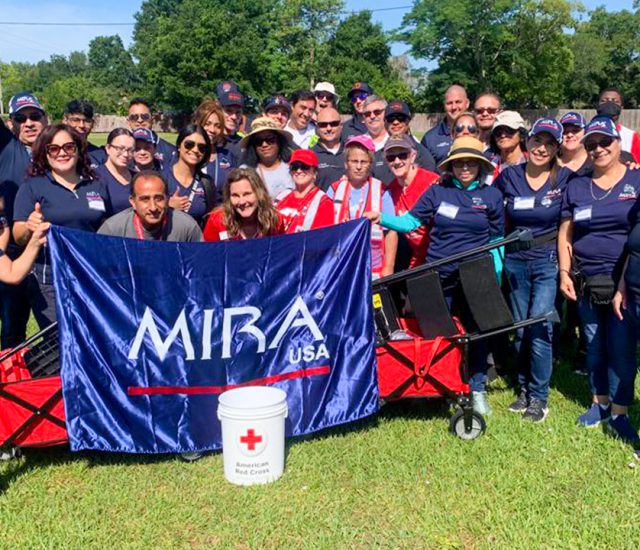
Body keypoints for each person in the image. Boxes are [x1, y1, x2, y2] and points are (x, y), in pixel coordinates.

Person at [365, 136, 504, 415]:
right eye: (459, 163)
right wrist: (380, 218)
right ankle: (445, 385)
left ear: (479, 165)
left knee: (476, 333)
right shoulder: (437, 191)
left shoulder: (492, 196)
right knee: (440, 333)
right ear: (451, 166)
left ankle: (476, 389)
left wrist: (496, 275)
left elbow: (497, 238)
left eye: (470, 163)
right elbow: (410, 222)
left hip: (477, 274)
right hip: (439, 273)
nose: (465, 168)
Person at [558, 116, 640, 444]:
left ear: (619, 144)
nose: (598, 149)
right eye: (591, 145)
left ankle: (620, 412)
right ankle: (599, 403)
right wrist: (564, 272)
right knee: (593, 345)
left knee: (621, 348)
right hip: (586, 280)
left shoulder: (637, 181)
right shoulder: (577, 186)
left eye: (605, 142)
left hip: (624, 281)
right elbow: (566, 232)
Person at [496, 118, 570, 422]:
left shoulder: (565, 178)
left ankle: (539, 397)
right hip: (515, 260)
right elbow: (491, 209)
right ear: (527, 143)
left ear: (556, 148)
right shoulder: (508, 176)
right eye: (537, 141)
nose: (542, 148)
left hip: (547, 260)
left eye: (549, 143)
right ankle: (524, 389)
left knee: (540, 326)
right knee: (521, 328)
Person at [12, 124, 111, 328]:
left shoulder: (96, 184)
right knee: (59, 343)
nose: (62, 153)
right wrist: (30, 227)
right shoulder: (32, 187)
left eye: (68, 147)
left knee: (91, 337)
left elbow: (106, 228)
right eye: (54, 149)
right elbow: (18, 236)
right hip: (51, 279)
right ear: (44, 153)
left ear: (78, 149)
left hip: (90, 275)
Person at [0, 92, 49, 348]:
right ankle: (10, 386)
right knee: (12, 333)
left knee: (57, 333)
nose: (29, 123)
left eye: (34, 116)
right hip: (14, 255)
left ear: (45, 118)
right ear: (11, 124)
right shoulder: (8, 148)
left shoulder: (59, 152)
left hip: (51, 261)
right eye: (21, 118)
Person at [327, 135, 396, 279]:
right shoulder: (334, 189)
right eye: (354, 161)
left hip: (373, 269)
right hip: (340, 266)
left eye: (363, 162)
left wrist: (389, 268)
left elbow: (391, 232)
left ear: (370, 164)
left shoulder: (381, 190)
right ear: (346, 163)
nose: (358, 167)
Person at [383, 135, 439, 270]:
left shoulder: (432, 183)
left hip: (438, 256)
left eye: (402, 155)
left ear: (413, 156)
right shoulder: (391, 190)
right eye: (391, 157)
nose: (397, 161)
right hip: (416, 258)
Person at [98, 171, 202, 242]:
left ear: (167, 199)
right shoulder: (112, 230)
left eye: (158, 198)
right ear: (133, 202)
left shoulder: (187, 226)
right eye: (145, 199)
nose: (153, 207)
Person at [203, 167, 281, 241]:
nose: (242, 202)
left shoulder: (274, 220)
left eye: (247, 194)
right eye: (235, 195)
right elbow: (208, 253)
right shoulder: (217, 220)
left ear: (259, 194)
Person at [164, 124, 215, 226]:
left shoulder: (206, 183)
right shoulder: (161, 178)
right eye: (189, 144)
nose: (195, 150)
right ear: (179, 146)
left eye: (201, 147)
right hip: (166, 240)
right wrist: (167, 206)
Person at [276, 149, 333, 233]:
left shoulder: (324, 202)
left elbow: (322, 237)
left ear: (315, 172)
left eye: (304, 167)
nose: (299, 171)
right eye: (295, 167)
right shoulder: (282, 196)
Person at [193, 99, 238, 200]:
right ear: (198, 123)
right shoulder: (187, 154)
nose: (212, 130)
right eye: (207, 124)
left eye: (217, 126)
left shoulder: (227, 156)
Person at [240, 117, 294, 199]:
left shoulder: (293, 167)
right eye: (258, 141)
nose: (264, 144)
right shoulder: (245, 172)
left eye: (270, 139)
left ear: (279, 141)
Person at [421, 84, 470, 166]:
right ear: (444, 105)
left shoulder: (478, 132)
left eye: (458, 102)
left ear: (467, 103)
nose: (454, 107)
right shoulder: (430, 138)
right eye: (449, 103)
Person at [384, 100, 436, 173]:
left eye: (401, 118)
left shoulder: (422, 155)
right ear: (385, 123)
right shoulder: (378, 156)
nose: (395, 122)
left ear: (408, 121)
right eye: (391, 119)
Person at [95, 128, 135, 214]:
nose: (125, 154)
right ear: (108, 148)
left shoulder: (137, 177)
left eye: (130, 150)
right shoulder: (95, 177)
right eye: (120, 148)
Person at [596, 87, 640, 163]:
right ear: (597, 105)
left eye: (615, 101)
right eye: (604, 101)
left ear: (621, 108)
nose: (609, 104)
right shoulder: (585, 133)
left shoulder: (631, 136)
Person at [127, 98, 176, 164]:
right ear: (128, 122)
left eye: (145, 116)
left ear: (152, 120)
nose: (140, 120)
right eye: (134, 117)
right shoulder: (122, 150)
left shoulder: (170, 151)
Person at [63, 99, 105, 166]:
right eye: (76, 120)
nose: (81, 125)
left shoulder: (100, 156)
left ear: (92, 123)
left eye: (86, 121)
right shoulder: (55, 154)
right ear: (65, 120)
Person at [312, 108, 345, 192]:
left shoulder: (351, 151)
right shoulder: (311, 154)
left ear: (341, 125)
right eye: (323, 124)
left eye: (334, 124)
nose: (329, 128)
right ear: (317, 127)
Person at [218, 89, 245, 154]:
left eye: (238, 112)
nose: (234, 117)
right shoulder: (212, 140)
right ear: (219, 111)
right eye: (229, 111)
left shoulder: (245, 143)